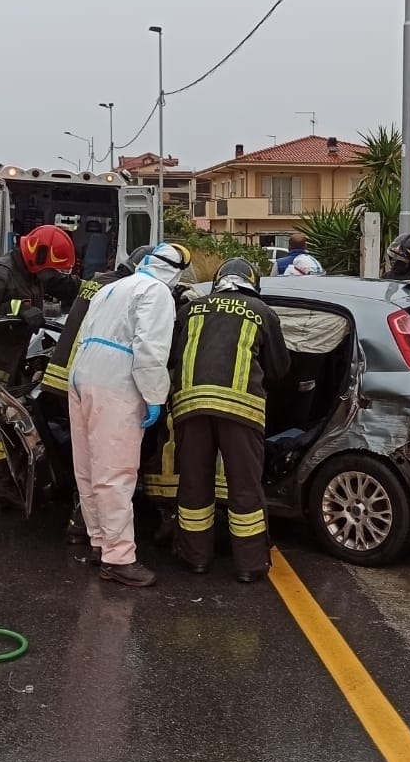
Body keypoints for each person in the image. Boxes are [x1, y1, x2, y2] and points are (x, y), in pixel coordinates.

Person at [70, 242, 191, 586]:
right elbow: (150, 350)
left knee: (89, 469)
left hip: (82, 376)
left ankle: (100, 543)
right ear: (175, 272)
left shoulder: (112, 288)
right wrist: (155, 395)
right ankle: (119, 559)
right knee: (115, 473)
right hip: (116, 381)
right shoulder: (156, 293)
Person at [170, 257, 291, 582]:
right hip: (241, 411)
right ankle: (249, 566)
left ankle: (195, 558)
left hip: (190, 407)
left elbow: (172, 357)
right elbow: (279, 369)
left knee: (194, 485)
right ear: (253, 284)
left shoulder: (189, 310)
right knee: (244, 489)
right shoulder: (263, 313)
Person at [0, 223, 77, 518]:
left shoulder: (30, 271)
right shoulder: (2, 273)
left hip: (8, 366)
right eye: (51, 270)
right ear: (37, 257)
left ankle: (0, 486)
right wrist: (17, 308)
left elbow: (61, 285)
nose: (52, 277)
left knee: (3, 428)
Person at [41, 245, 149, 549]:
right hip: (95, 380)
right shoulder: (125, 291)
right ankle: (92, 527)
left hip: (68, 374)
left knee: (84, 456)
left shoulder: (98, 282)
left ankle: (82, 523)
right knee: (103, 461)